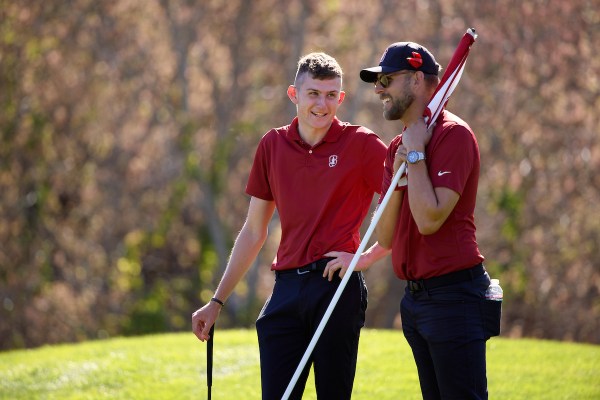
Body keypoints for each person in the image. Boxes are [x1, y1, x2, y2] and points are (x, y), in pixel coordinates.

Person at [192, 52, 389, 400]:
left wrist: (365, 258)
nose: (322, 104)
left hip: (335, 287)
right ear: (293, 94)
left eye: (331, 95)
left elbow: (400, 203)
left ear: (341, 98)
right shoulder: (272, 145)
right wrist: (217, 301)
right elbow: (254, 231)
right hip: (286, 289)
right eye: (313, 93)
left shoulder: (362, 144)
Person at [361, 42, 495, 399]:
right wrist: (403, 166)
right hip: (416, 302)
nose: (379, 89)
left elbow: (430, 220)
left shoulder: (455, 136)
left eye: (387, 80)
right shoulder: (396, 148)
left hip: (455, 297)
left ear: (417, 79)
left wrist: (417, 156)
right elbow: (386, 236)